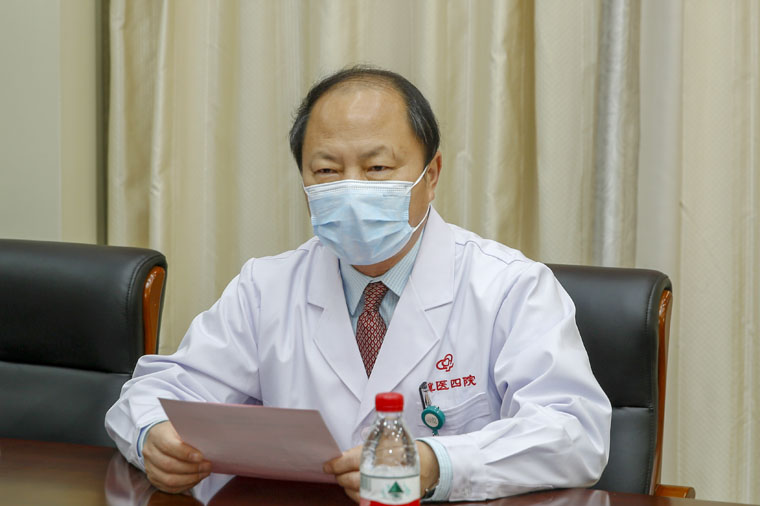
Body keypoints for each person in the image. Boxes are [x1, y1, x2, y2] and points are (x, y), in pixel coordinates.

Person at [105, 65, 611, 502]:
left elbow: (573, 433)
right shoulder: (266, 287)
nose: (352, 189)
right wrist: (153, 436)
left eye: (377, 167)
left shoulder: (511, 287)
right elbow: (154, 392)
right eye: (327, 170)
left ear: (432, 174)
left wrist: (438, 463)